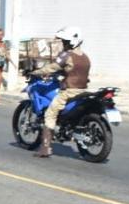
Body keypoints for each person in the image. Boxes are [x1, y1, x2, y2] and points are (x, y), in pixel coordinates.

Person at [33, 26, 90, 158]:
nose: (63, 44)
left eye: (64, 41)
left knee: (50, 114)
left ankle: (45, 148)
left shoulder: (66, 55)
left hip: (68, 92)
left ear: (71, 42)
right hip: (82, 91)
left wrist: (35, 72)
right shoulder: (86, 57)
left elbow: (52, 67)